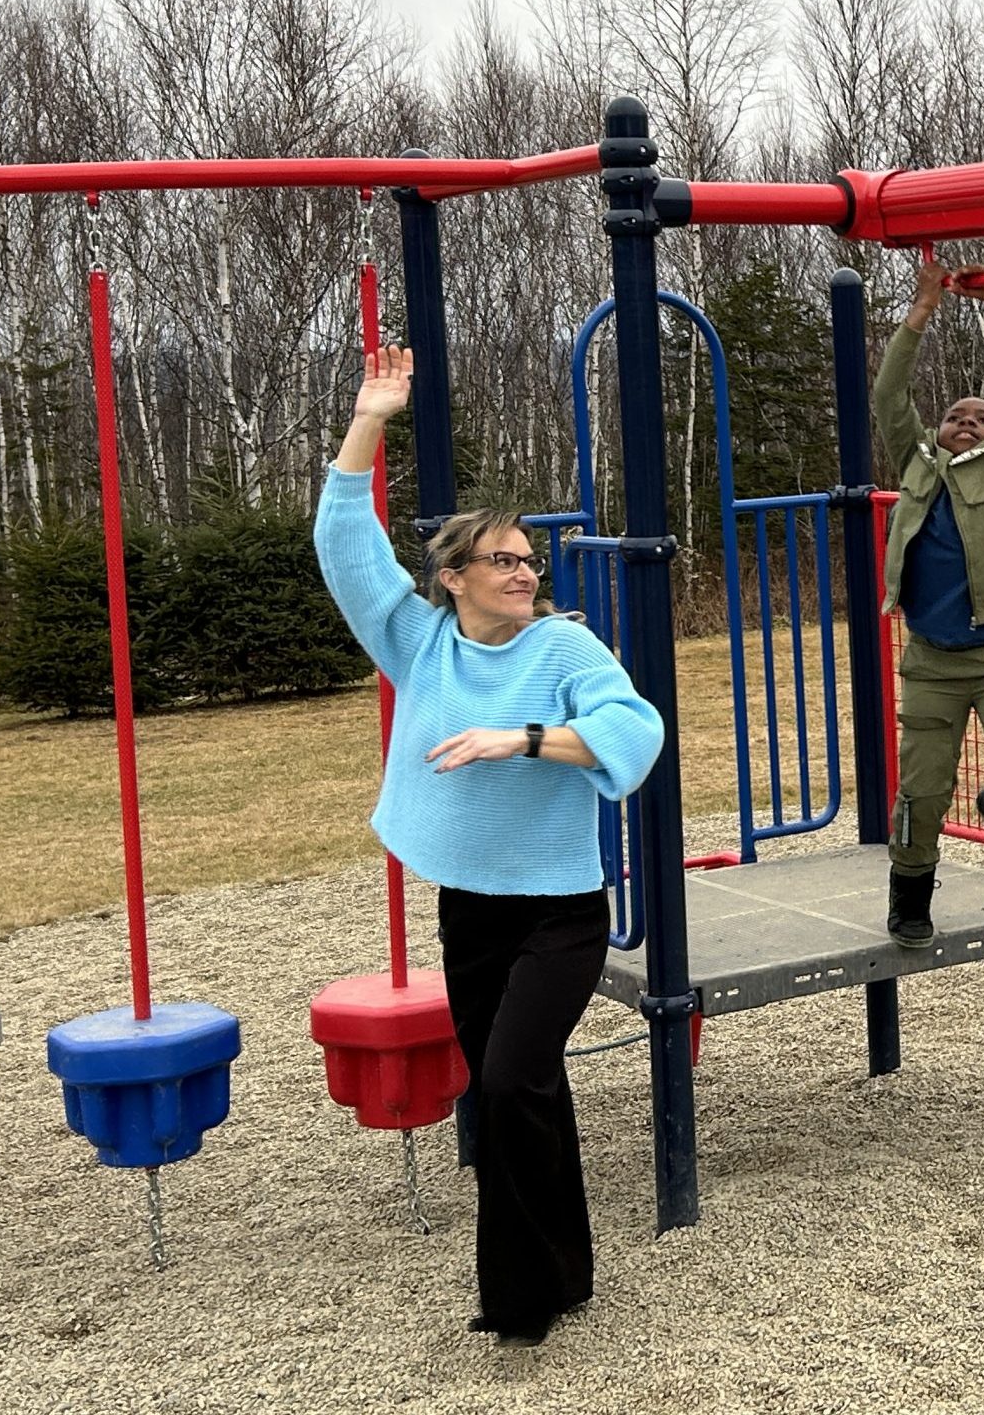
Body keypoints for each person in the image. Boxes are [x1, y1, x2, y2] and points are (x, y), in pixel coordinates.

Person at [314, 345, 663, 1349]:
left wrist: (522, 739)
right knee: (524, 1088)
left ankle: (518, 1304)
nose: (524, 573)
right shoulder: (420, 642)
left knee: (510, 1081)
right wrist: (371, 417)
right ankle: (569, 1270)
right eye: (502, 560)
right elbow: (345, 546)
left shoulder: (565, 648)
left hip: (559, 912)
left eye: (528, 560)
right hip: (470, 909)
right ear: (452, 576)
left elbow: (633, 735)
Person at [874, 261, 984, 946]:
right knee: (921, 797)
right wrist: (921, 310)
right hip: (931, 666)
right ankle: (911, 894)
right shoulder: (915, 465)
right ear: (938, 431)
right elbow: (890, 395)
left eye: (981, 418)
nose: (970, 423)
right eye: (957, 416)